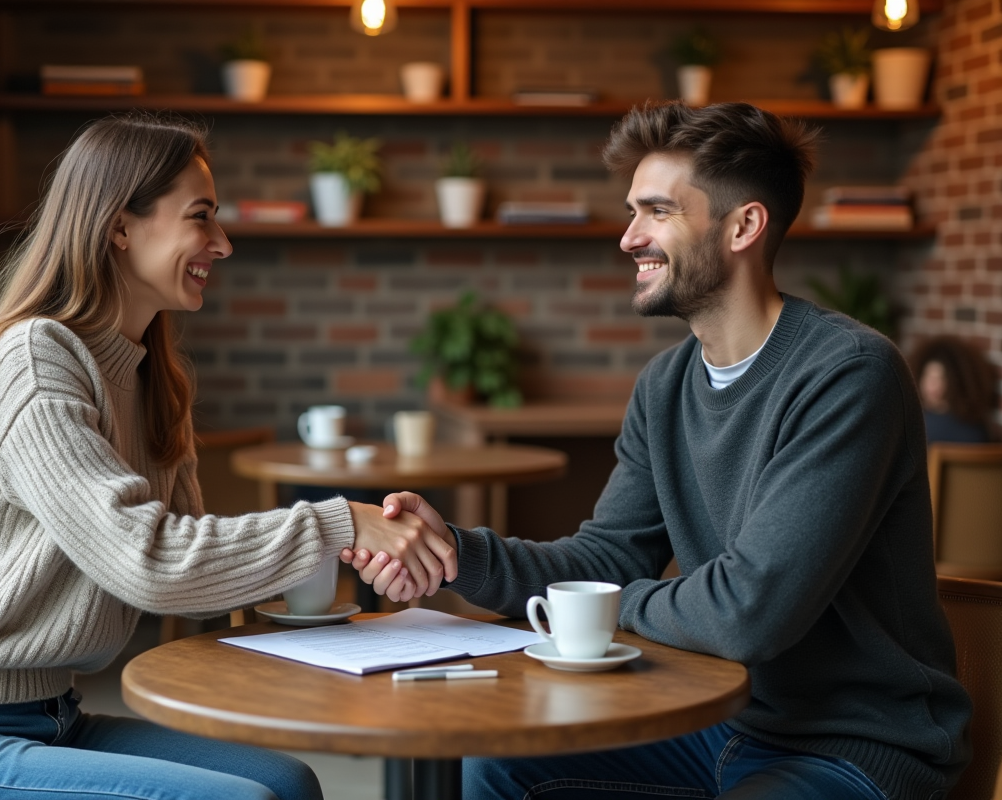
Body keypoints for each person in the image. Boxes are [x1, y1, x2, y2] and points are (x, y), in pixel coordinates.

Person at [344, 101, 972, 800]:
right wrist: (458, 553)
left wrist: (602, 609)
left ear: (743, 226)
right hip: (721, 719)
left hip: (856, 742)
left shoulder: (848, 373)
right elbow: (606, 558)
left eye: (657, 212)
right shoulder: (666, 384)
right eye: (631, 211)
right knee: (498, 769)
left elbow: (748, 613)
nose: (628, 237)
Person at [0, 112, 455, 800]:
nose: (224, 244)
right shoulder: (34, 357)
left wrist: (353, 575)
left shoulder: (153, 379)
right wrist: (343, 525)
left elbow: (195, 577)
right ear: (120, 226)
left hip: (54, 718)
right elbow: (147, 562)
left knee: (287, 784)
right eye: (201, 218)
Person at [910, 335, 996, 444]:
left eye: (941, 378)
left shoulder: (916, 426)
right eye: (928, 376)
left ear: (955, 382)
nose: (932, 385)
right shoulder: (979, 428)